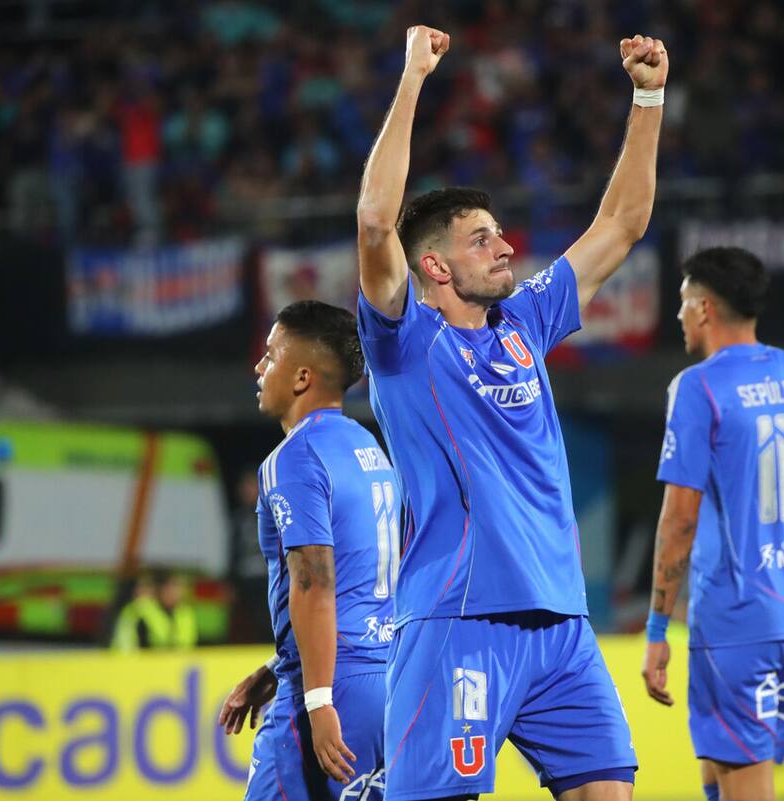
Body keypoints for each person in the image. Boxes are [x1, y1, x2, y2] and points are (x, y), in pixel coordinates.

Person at [355, 25, 667, 801]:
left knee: (610, 791)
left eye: (500, 234)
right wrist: (413, 80)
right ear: (434, 266)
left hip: (561, 622)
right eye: (482, 240)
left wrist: (648, 96)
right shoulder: (406, 340)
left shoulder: (524, 320)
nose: (506, 248)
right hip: (461, 616)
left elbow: (622, 224)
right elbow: (371, 223)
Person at [642, 247, 784, 801]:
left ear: (705, 307)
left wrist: (656, 628)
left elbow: (679, 519)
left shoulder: (698, 387)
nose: (679, 316)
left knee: (746, 783)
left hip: (737, 618)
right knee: (720, 773)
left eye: (683, 302)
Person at [218, 301, 397, 801]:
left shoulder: (292, 458)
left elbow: (314, 582)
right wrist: (275, 669)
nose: (259, 367)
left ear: (301, 377)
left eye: (270, 355)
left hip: (329, 690)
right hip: (390, 682)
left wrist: (316, 700)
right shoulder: (369, 449)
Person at [111, 569, 198, 652]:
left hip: (174, 663)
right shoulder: (141, 609)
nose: (174, 593)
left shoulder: (185, 612)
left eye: (177, 587)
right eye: (169, 587)